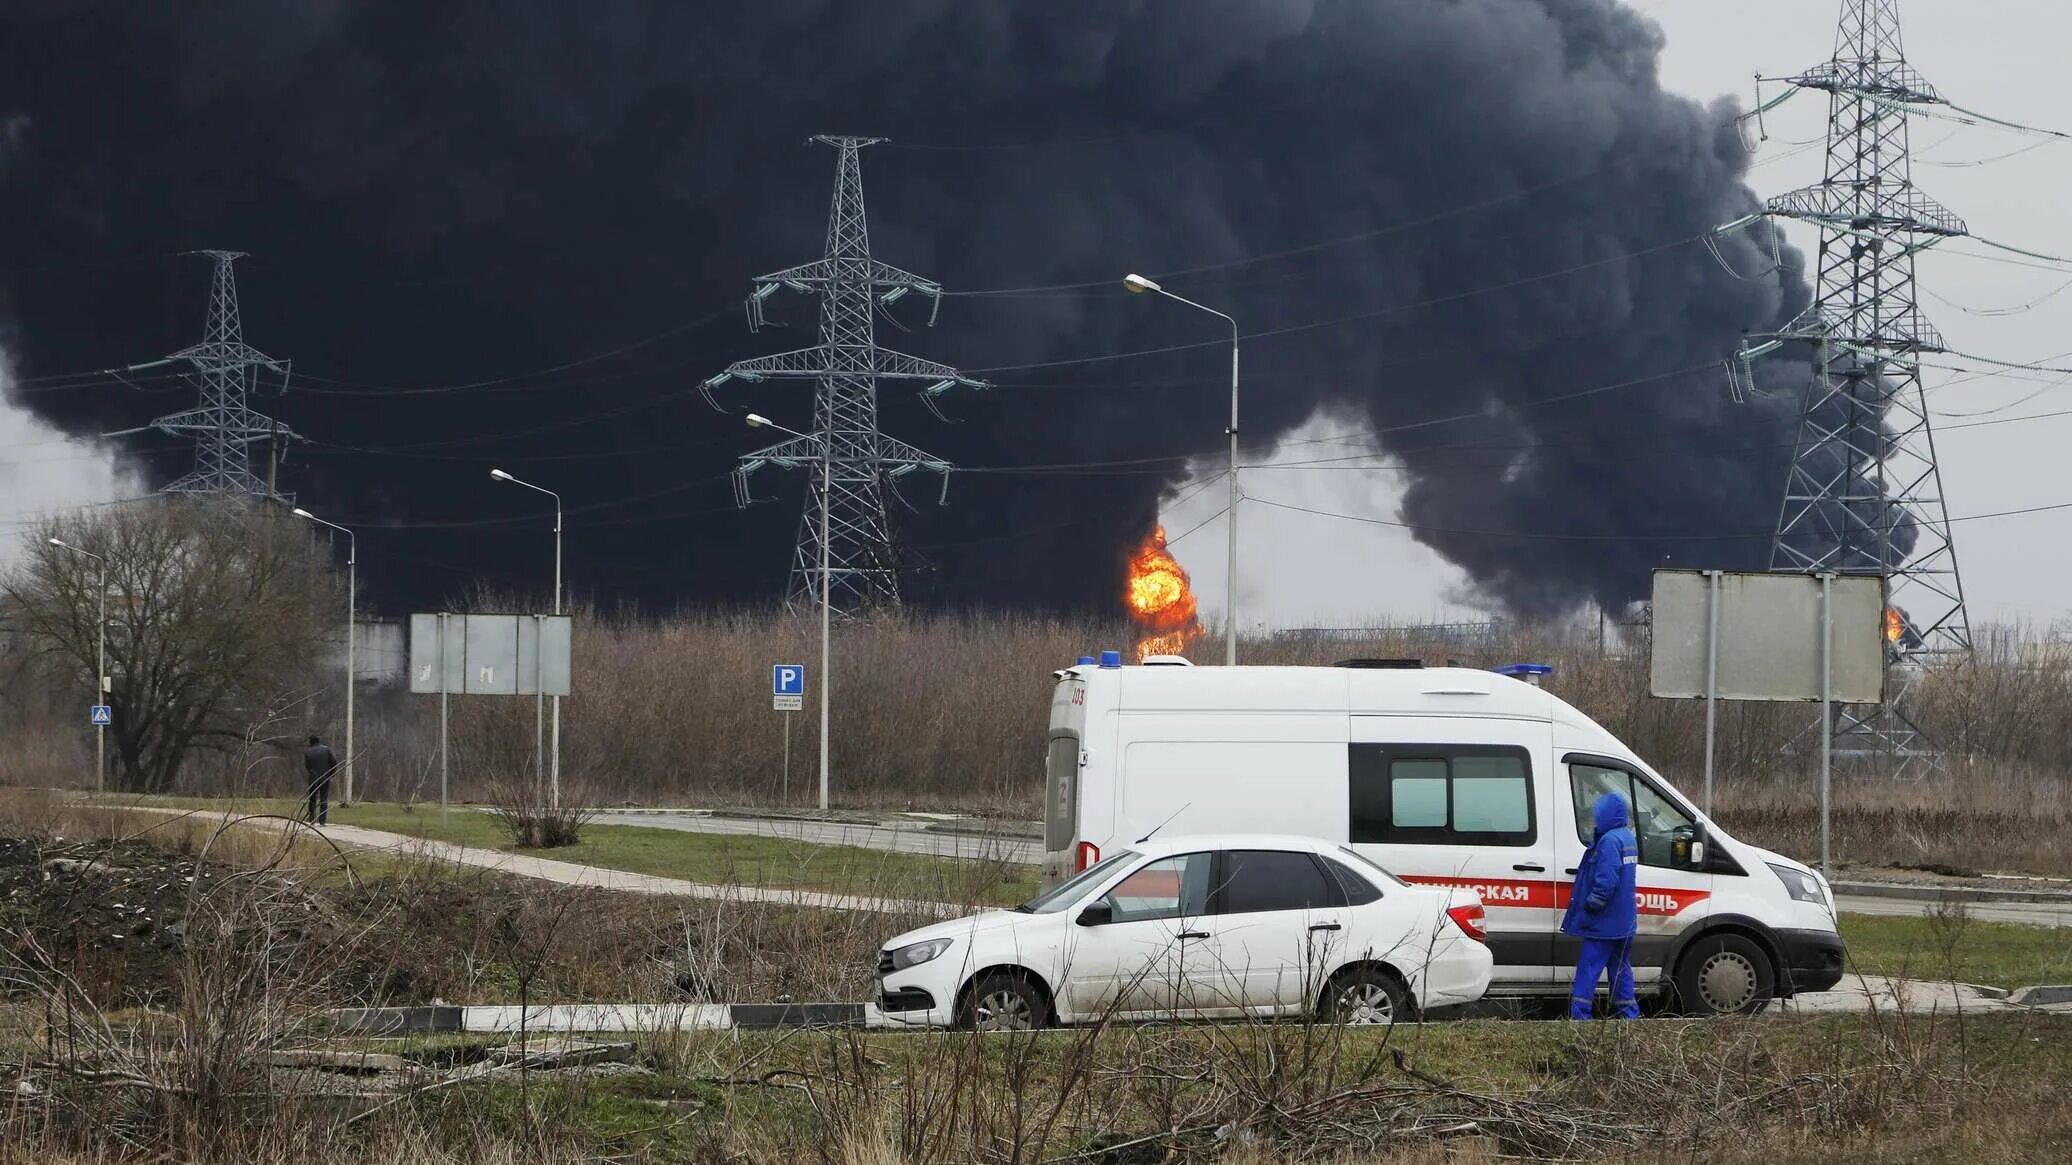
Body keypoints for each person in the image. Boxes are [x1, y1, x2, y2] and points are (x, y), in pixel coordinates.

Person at [1561, 790, 1640, 1020]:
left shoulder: (1609, 841)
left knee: (1588, 969)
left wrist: (1591, 906)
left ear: (1607, 815)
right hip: (1624, 922)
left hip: (1604, 923)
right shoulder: (1627, 837)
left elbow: (1606, 882)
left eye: (1598, 814)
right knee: (1621, 970)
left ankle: (1580, 1018)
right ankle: (1629, 1016)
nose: (1595, 819)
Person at [302, 734, 338, 826]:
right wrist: (331, 773)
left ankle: (311, 819)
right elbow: (334, 762)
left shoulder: (308, 752)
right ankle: (322, 821)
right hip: (325, 777)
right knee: (324, 799)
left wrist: (312, 772)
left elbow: (307, 766)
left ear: (311, 742)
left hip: (313, 778)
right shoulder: (326, 749)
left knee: (312, 799)